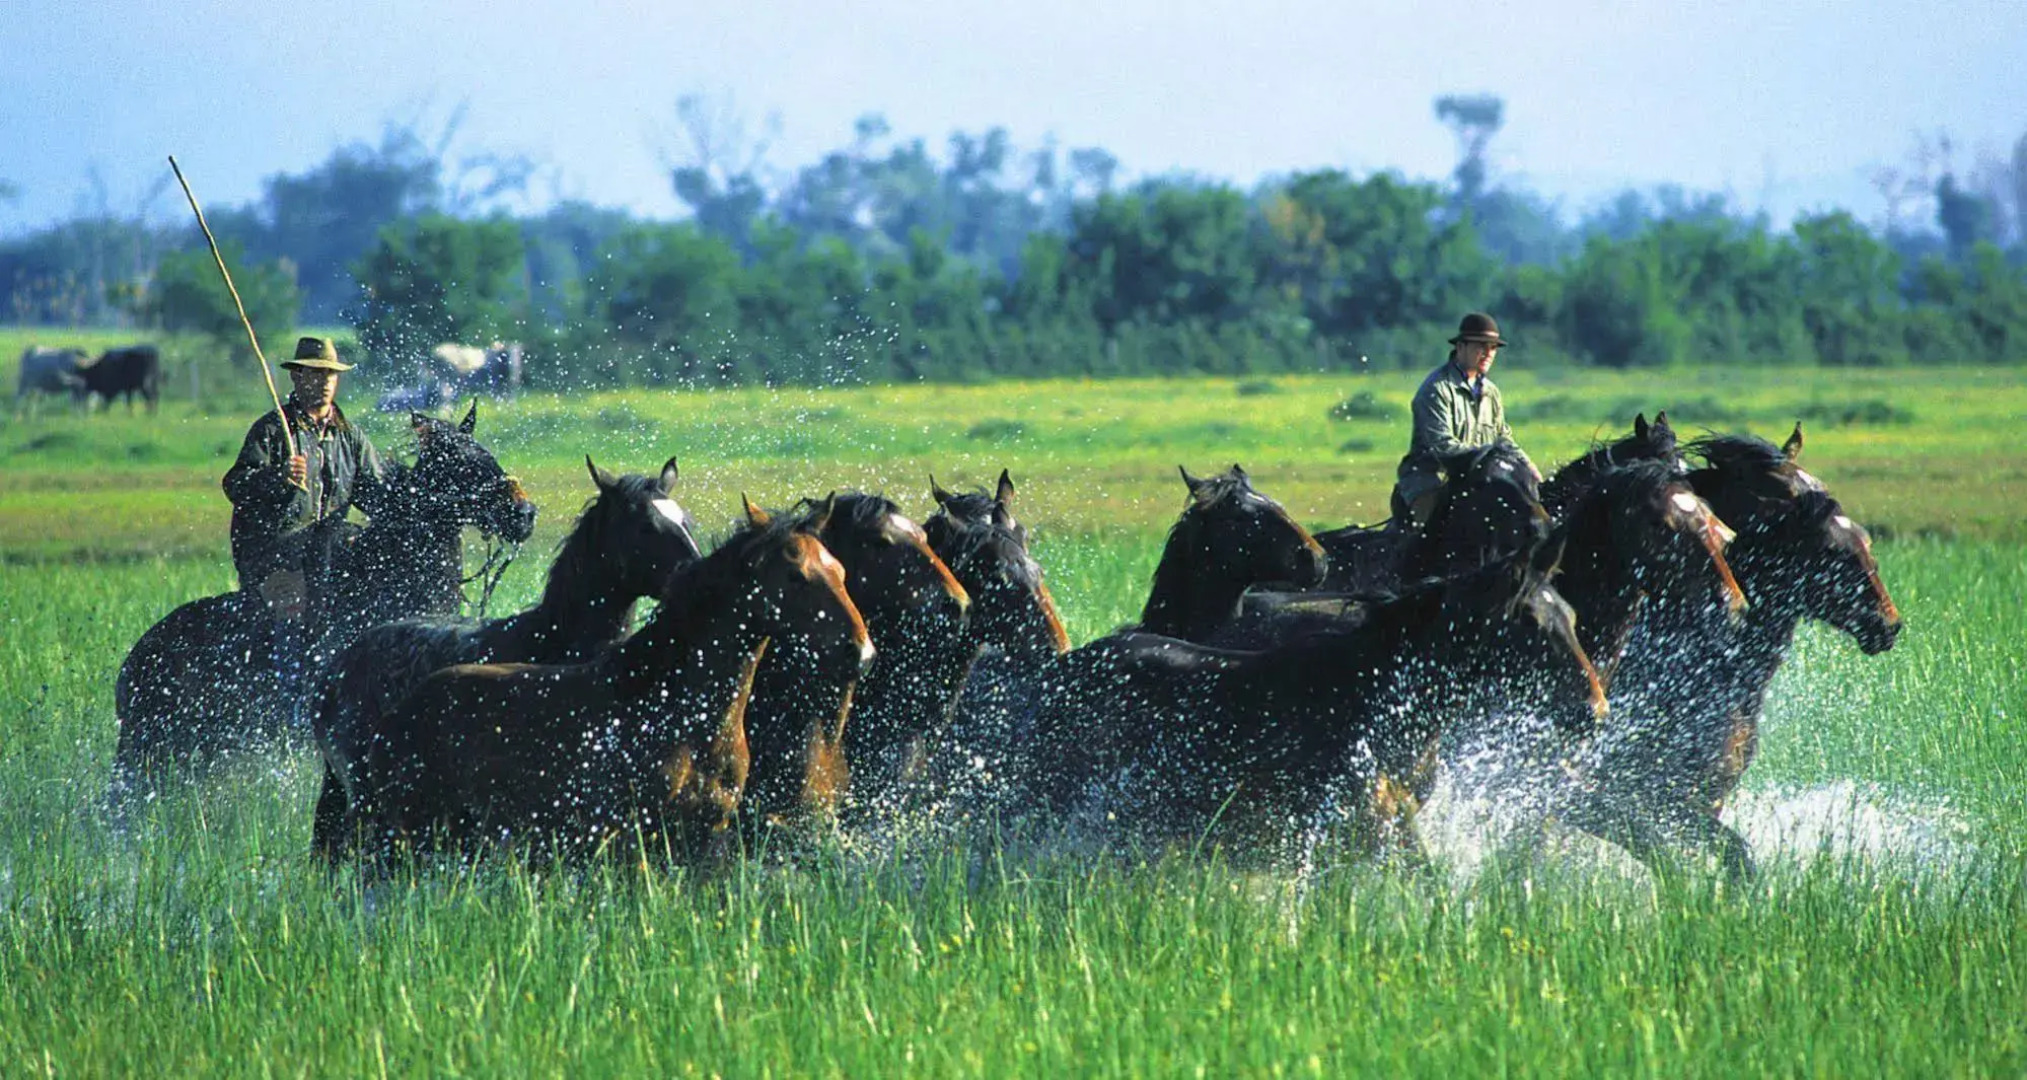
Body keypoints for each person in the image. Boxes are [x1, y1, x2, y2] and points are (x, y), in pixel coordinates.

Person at [223, 336, 390, 622]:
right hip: (276, 557)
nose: (325, 381)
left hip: (330, 557)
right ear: (296, 377)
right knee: (289, 629)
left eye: (330, 373)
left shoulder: (350, 437)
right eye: (316, 372)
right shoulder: (273, 430)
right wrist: (279, 477)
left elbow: (380, 494)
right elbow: (236, 484)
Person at [1390, 312, 1538, 526]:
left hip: (1478, 481)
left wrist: (1528, 468)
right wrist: (1490, 463)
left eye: (1493, 347)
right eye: (1481, 346)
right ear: (1460, 347)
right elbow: (1443, 448)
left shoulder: (1491, 392)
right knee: (1443, 532)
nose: (1488, 353)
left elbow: (1502, 439)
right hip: (1430, 481)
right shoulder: (1436, 390)